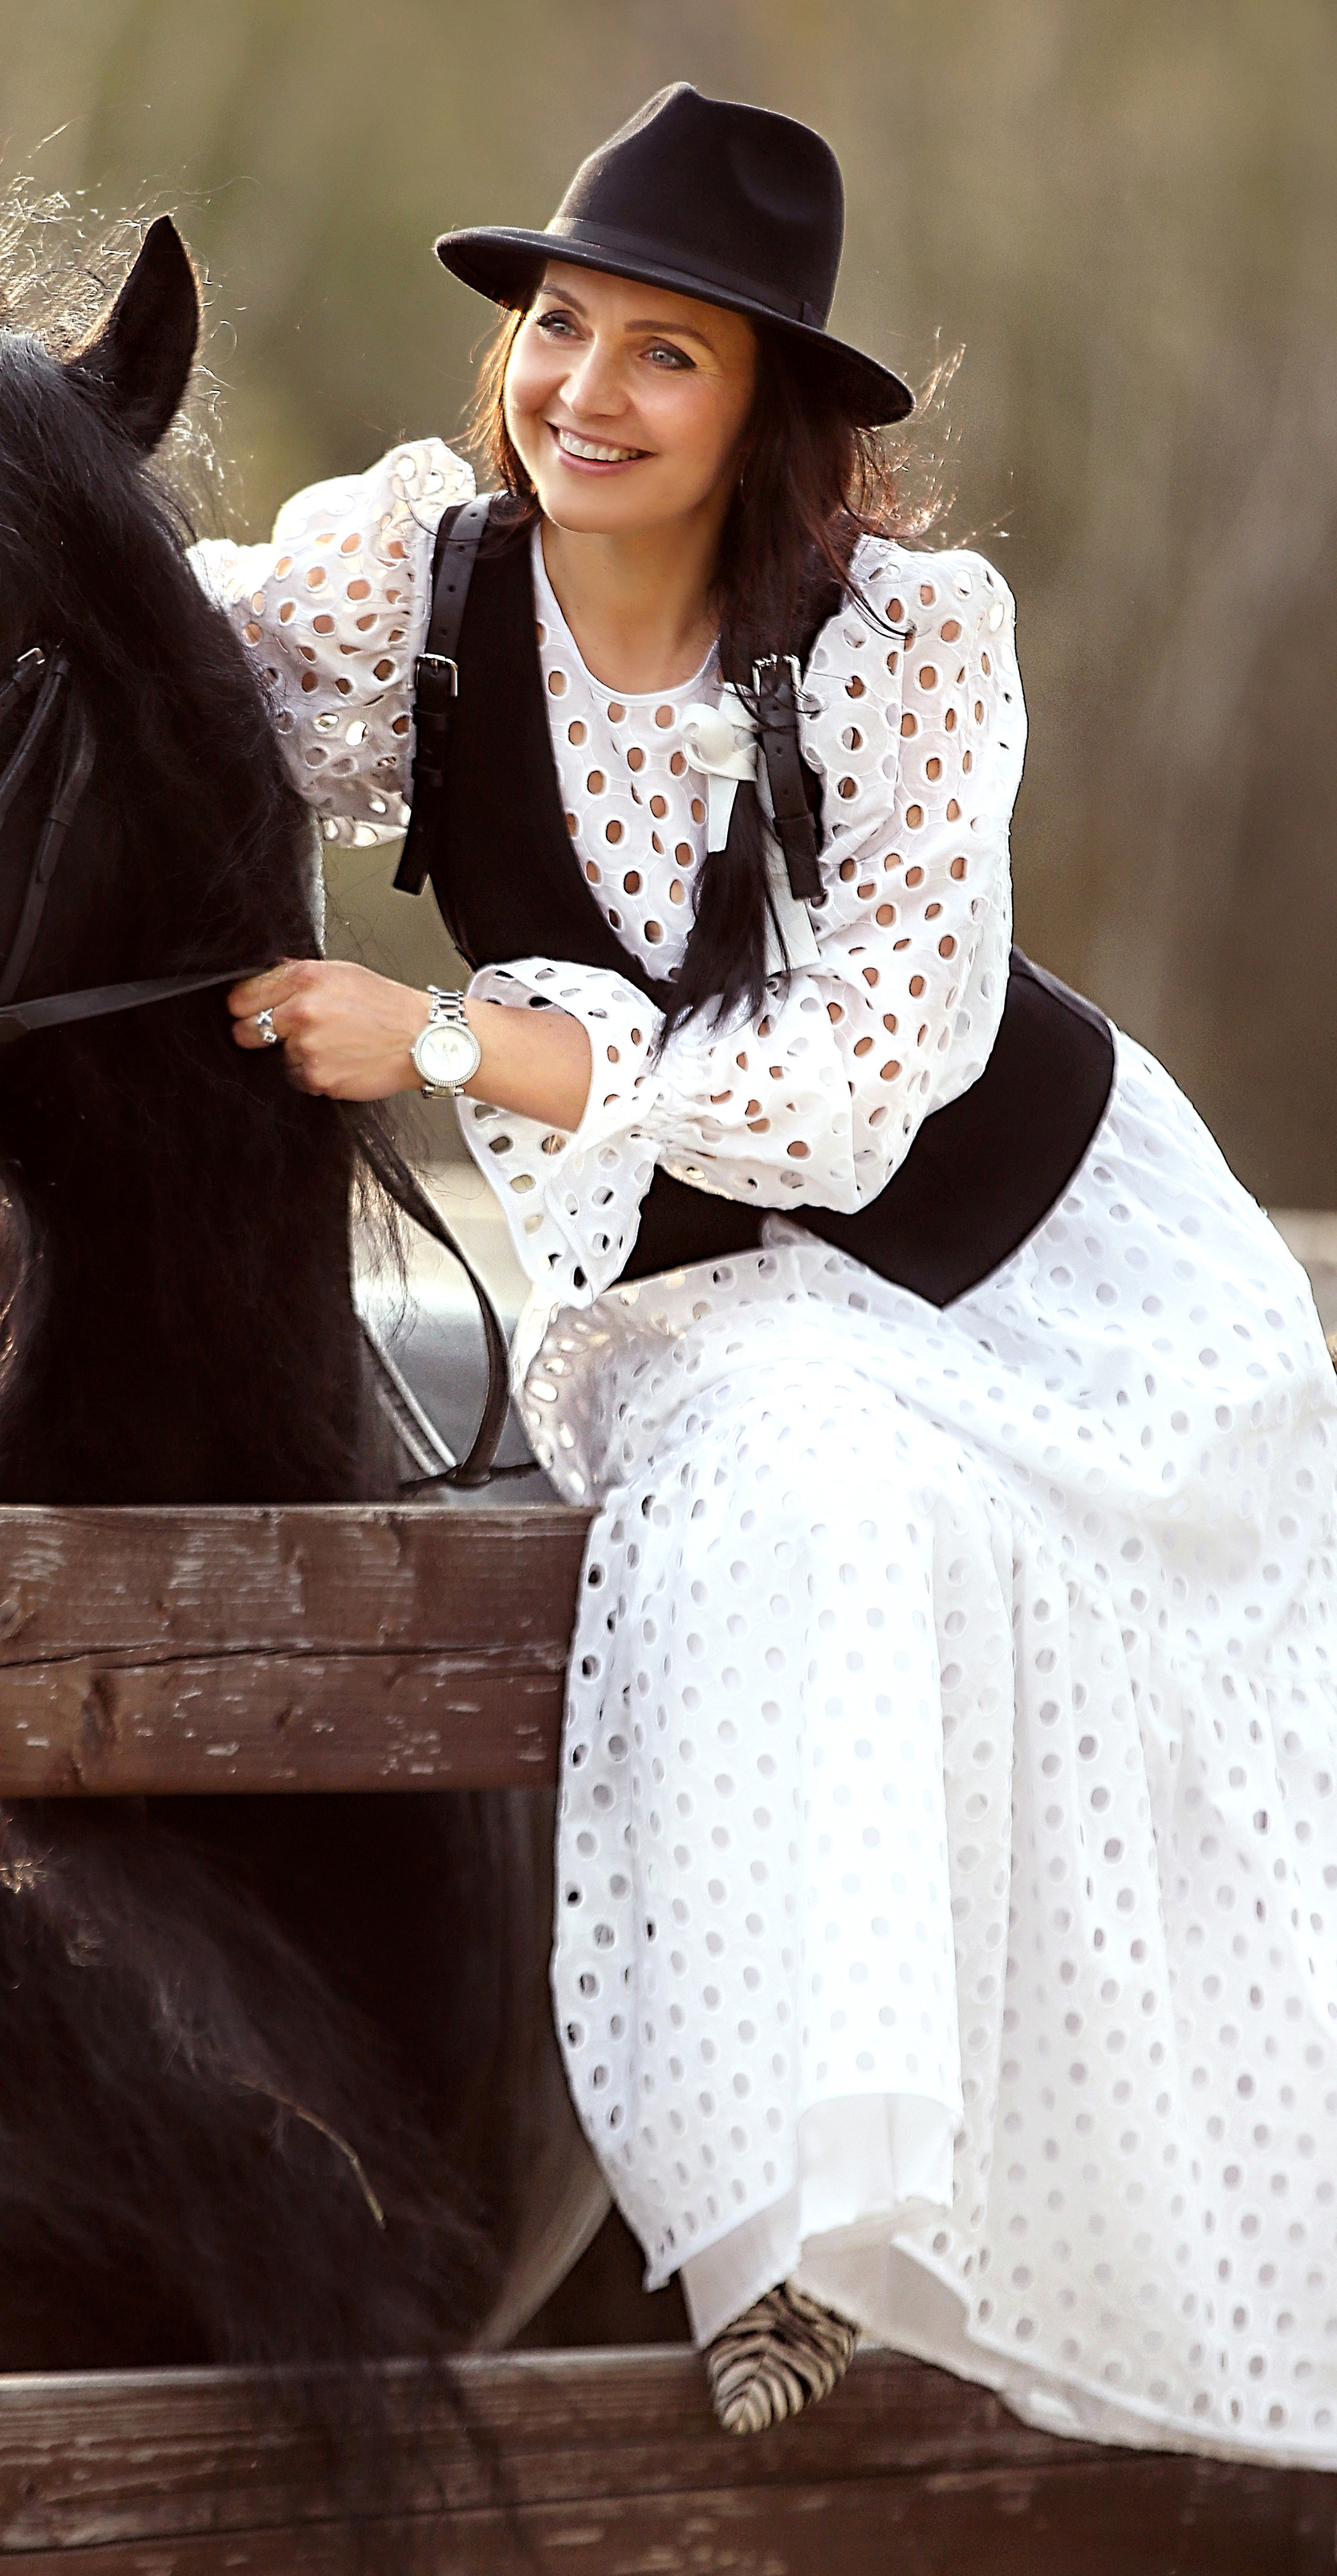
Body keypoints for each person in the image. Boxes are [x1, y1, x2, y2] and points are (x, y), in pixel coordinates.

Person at [195, 83, 1337, 2466]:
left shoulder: (904, 645)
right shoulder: (413, 585)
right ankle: (793, 2227)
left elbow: (846, 1095)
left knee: (1131, 1663)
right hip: (734, 1305)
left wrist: (445, 1040)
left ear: (769, 408)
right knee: (796, 1492)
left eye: (665, 354)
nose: (580, 392)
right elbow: (152, 664)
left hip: (1033, 1255)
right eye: (555, 325)